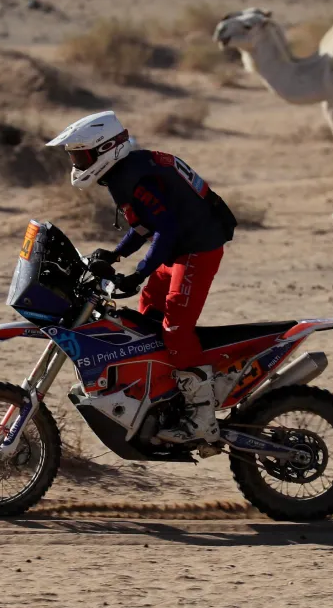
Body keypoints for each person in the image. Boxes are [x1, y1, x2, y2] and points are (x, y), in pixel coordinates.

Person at [47, 110, 237, 444]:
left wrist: (138, 273)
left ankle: (202, 418)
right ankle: (166, 392)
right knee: (149, 306)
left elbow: (166, 229)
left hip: (196, 249)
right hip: (181, 247)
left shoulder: (129, 175)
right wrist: (117, 254)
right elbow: (147, 224)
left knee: (175, 328)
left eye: (81, 155)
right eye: (74, 156)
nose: (76, 163)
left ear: (106, 149)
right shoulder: (129, 170)